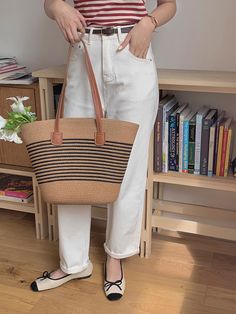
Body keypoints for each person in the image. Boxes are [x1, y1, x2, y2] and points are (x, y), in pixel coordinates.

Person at [31, 0, 176, 301]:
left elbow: (169, 4)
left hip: (131, 49)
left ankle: (116, 256)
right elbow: (50, 2)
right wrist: (59, 9)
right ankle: (73, 263)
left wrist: (148, 23)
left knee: (128, 165)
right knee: (73, 168)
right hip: (85, 51)